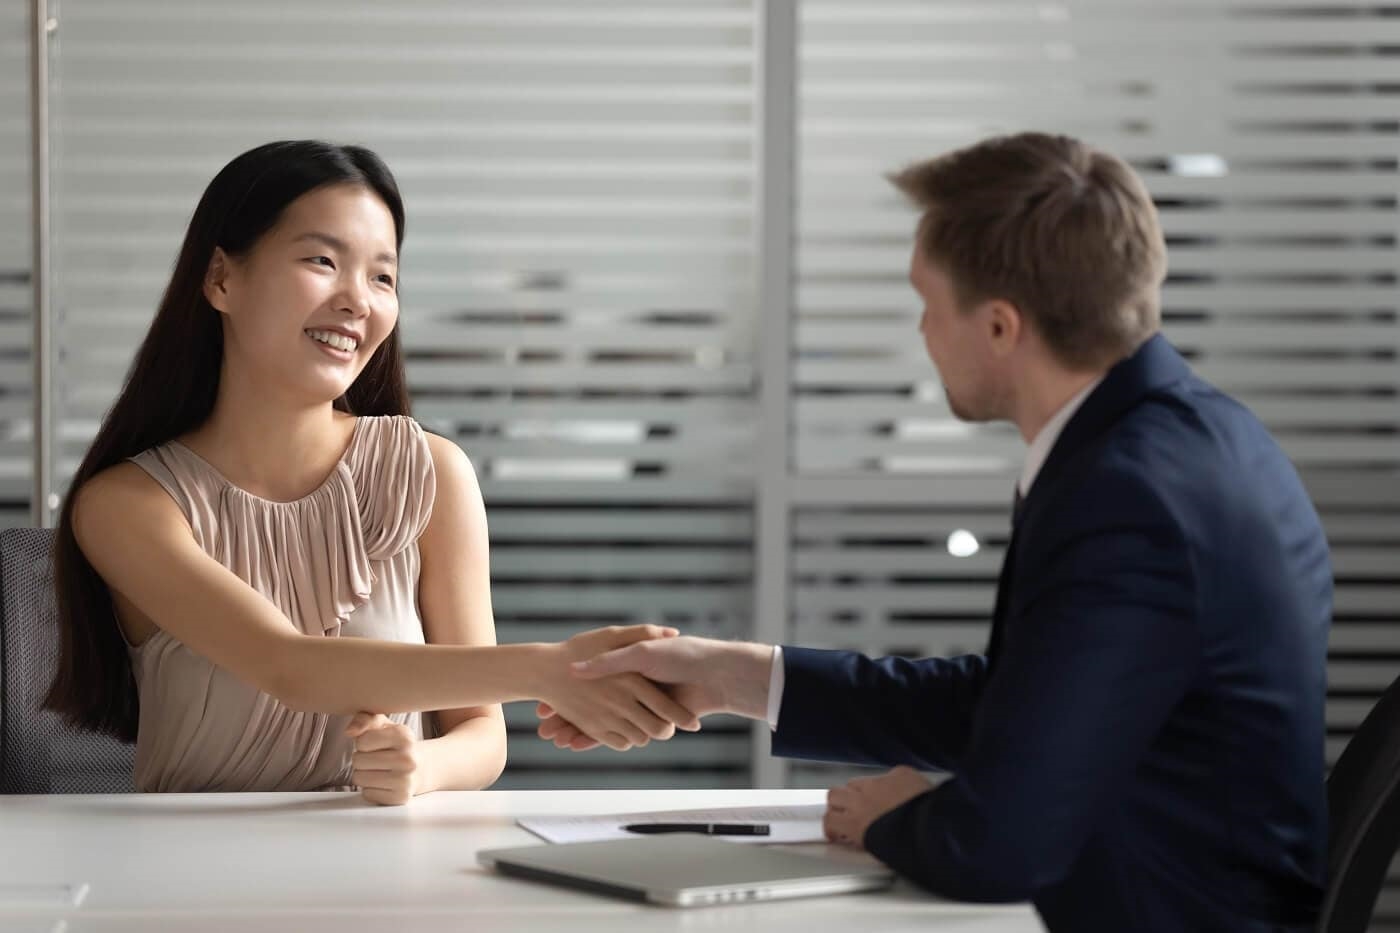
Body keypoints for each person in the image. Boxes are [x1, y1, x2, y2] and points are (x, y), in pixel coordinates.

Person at [536, 132, 1332, 931]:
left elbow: (996, 846)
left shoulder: (1130, 497)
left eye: (928, 302)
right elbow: (1018, 702)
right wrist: (736, 678)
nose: (922, 333)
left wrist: (894, 816)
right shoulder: (1190, 438)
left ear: (998, 327)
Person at [44, 140, 698, 804]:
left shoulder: (432, 474)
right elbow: (288, 664)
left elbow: (481, 733)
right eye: (323, 261)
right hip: (190, 886)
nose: (357, 300)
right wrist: (550, 668)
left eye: (383, 277)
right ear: (220, 279)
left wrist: (426, 765)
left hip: (384, 877)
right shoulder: (127, 503)